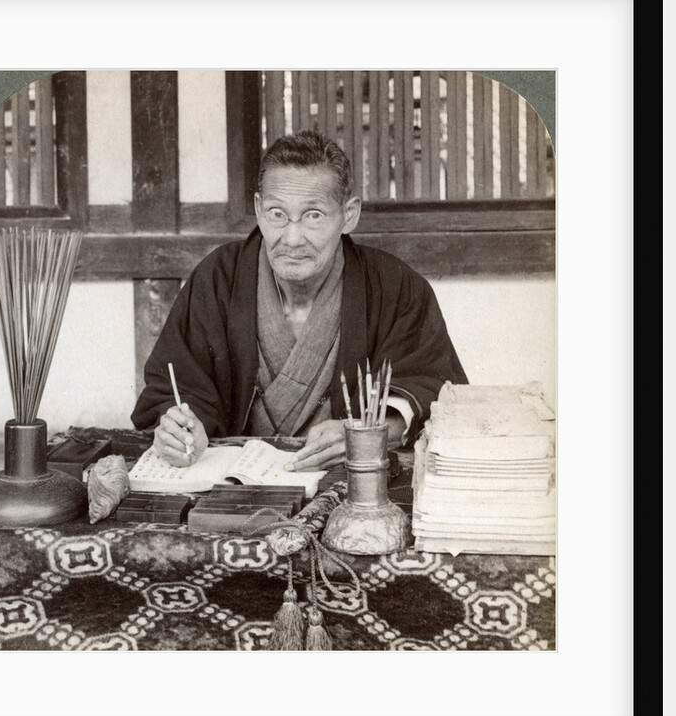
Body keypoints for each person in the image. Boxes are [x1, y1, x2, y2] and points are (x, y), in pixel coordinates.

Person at [131, 130, 467, 471]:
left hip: (347, 485)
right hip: (237, 489)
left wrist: (370, 433)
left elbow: (434, 389)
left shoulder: (395, 287)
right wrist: (180, 429)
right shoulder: (218, 279)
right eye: (278, 214)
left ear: (349, 215)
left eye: (313, 216)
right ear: (259, 210)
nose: (292, 238)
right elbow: (173, 387)